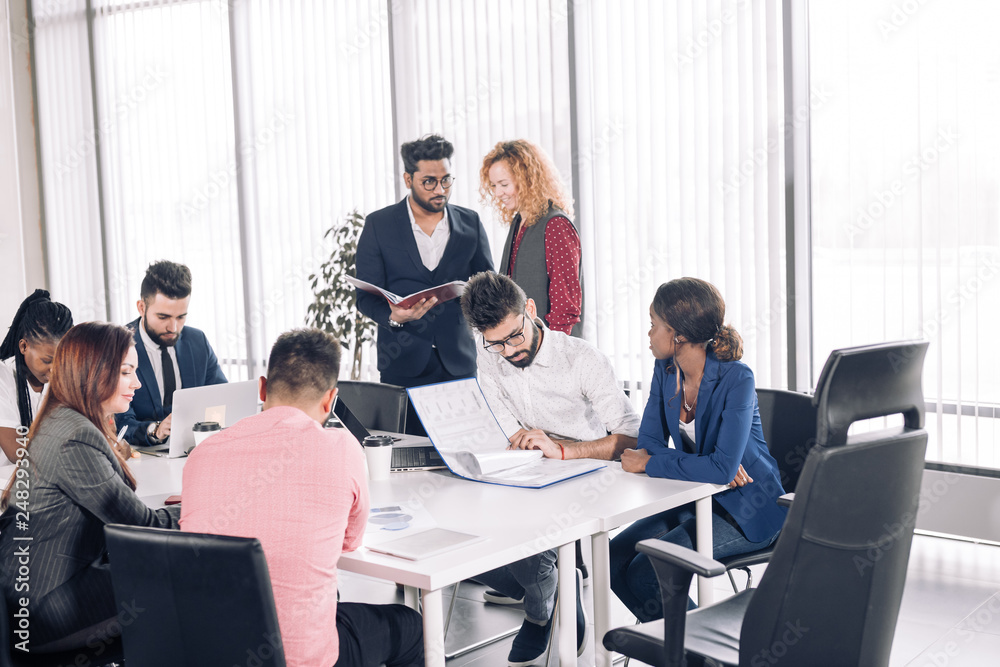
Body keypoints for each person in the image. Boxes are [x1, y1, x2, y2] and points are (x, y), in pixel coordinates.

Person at [180, 328, 423, 667]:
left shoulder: (202, 454)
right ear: (330, 400)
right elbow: (350, 542)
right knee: (411, 626)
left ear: (262, 387)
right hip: (298, 658)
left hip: (209, 651)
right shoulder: (341, 447)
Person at [459, 271, 640, 665]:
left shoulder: (582, 359)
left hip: (589, 475)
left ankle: (541, 611)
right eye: (495, 344)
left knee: (533, 528)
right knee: (462, 526)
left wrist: (562, 450)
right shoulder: (489, 349)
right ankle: (554, 588)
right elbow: (506, 426)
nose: (508, 351)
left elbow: (632, 438)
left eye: (514, 337)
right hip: (527, 471)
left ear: (530, 309)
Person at [609, 277, 788, 622]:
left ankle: (702, 654)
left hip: (748, 507)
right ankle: (681, 654)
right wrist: (703, 462)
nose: (648, 334)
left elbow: (718, 470)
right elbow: (649, 445)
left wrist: (703, 464)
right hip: (695, 496)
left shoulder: (738, 379)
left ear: (678, 335)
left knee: (648, 570)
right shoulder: (665, 370)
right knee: (614, 559)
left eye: (653, 325)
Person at [0, 322, 180, 652]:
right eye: (127, 372)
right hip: (45, 610)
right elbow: (143, 526)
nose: (137, 384)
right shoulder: (75, 437)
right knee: (185, 581)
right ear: (93, 372)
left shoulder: (65, 419)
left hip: (43, 594)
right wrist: (201, 506)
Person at [355, 134, 493, 389]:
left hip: (459, 364)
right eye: (429, 182)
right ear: (408, 179)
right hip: (401, 364)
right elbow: (364, 297)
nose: (440, 190)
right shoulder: (379, 225)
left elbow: (488, 288)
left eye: (445, 180)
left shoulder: (470, 222)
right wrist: (393, 316)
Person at [115, 260, 227, 447]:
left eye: (181, 317)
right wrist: (155, 430)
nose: (173, 328)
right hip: (142, 455)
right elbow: (120, 421)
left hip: (194, 450)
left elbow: (221, 398)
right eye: (163, 317)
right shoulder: (117, 346)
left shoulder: (197, 341)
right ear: (142, 308)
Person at [480, 139, 583, 337]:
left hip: (550, 351)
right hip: (522, 347)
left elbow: (565, 307)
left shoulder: (556, 225)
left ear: (527, 179)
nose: (497, 193)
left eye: (503, 184)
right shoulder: (519, 221)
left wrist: (552, 355)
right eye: (493, 185)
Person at [0, 289, 73, 463]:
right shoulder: (3, 377)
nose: (55, 370)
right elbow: (17, 452)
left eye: (61, 360)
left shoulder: (65, 378)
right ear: (24, 346)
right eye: (47, 360)